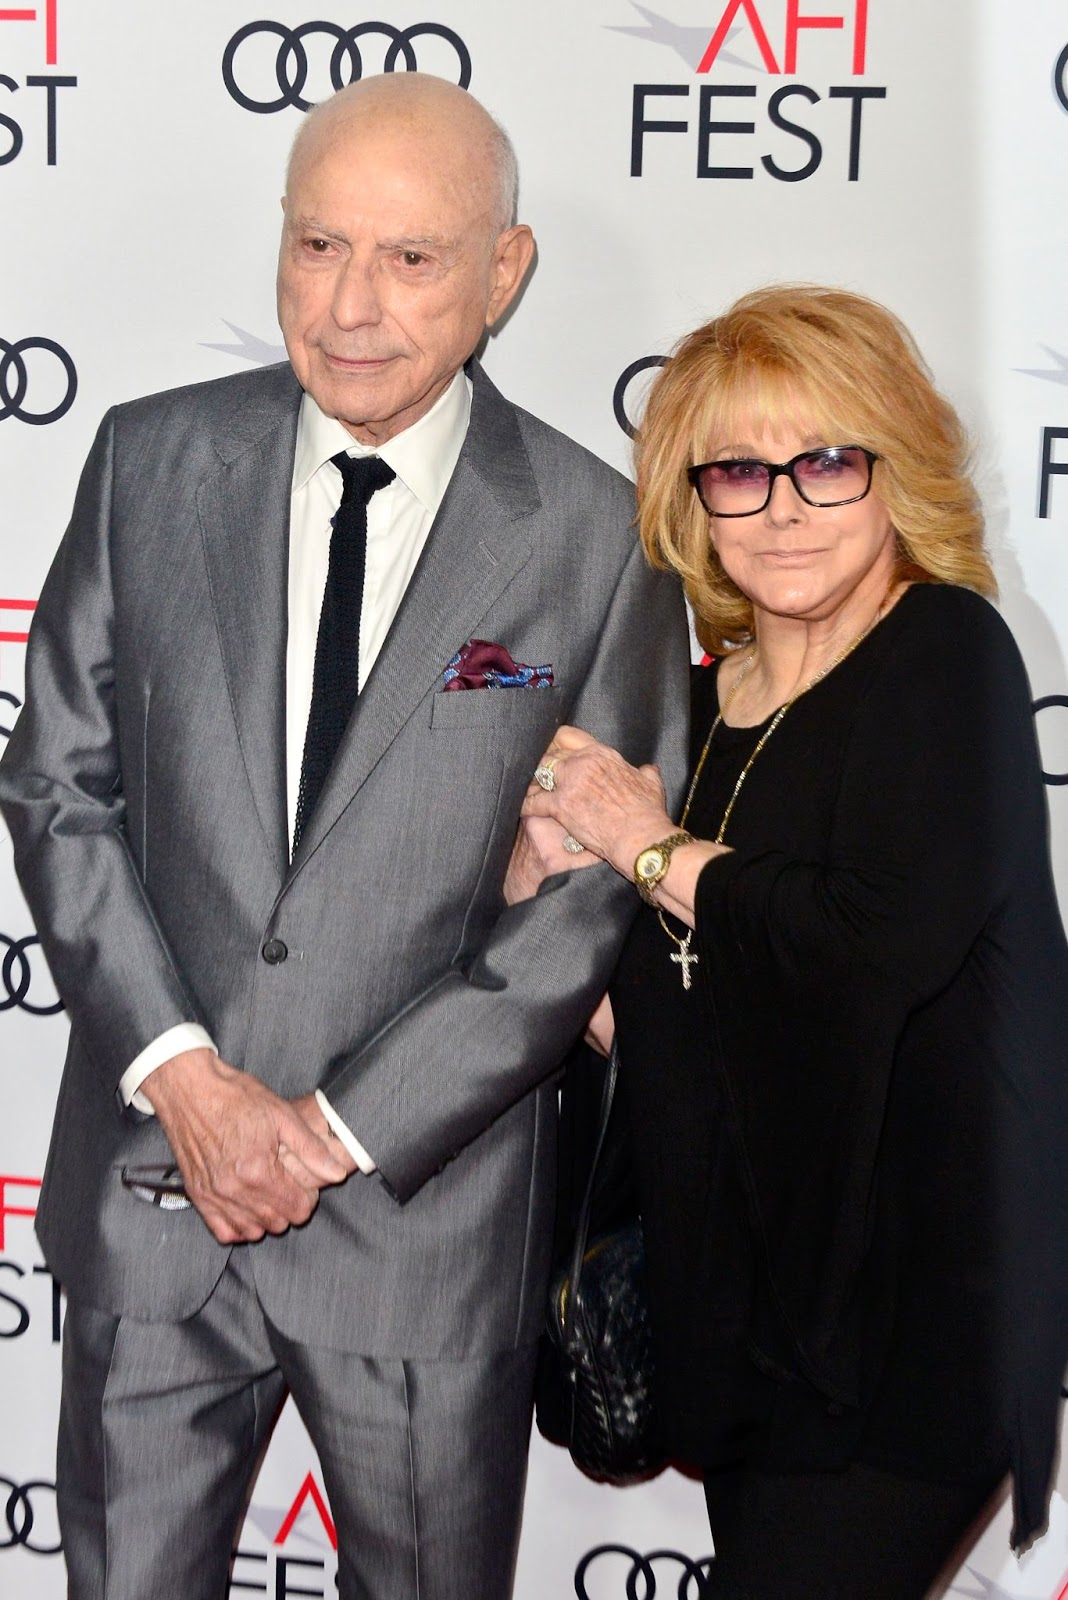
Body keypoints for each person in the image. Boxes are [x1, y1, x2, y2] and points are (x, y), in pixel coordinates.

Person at [0, 72, 689, 1599]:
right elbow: (59, 780)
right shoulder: (146, 463)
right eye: (318, 246)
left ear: (503, 271)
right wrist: (186, 1080)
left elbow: (579, 914)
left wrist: (323, 1134)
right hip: (155, 1199)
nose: (352, 304)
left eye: (412, 257)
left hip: (423, 1233)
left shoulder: (597, 542)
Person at [510, 285, 1068, 1598]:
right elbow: (685, 1021)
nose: (783, 507)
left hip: (928, 1319)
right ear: (694, 499)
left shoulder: (944, 651)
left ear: (896, 469)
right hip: (756, 1319)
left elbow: (866, 948)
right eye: (740, 472)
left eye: (824, 461)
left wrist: (645, 846)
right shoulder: (694, 709)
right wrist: (549, 896)